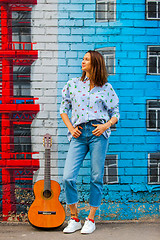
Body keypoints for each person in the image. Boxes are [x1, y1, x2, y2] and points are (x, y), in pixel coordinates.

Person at [60, 50, 120, 234]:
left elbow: (116, 114)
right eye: (83, 59)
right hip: (78, 134)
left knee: (96, 177)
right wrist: (71, 128)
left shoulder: (106, 88)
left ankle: (91, 218)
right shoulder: (73, 84)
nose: (83, 61)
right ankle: (75, 218)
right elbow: (64, 108)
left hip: (98, 133)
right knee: (67, 177)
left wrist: (105, 126)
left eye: (87, 59)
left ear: (96, 63)